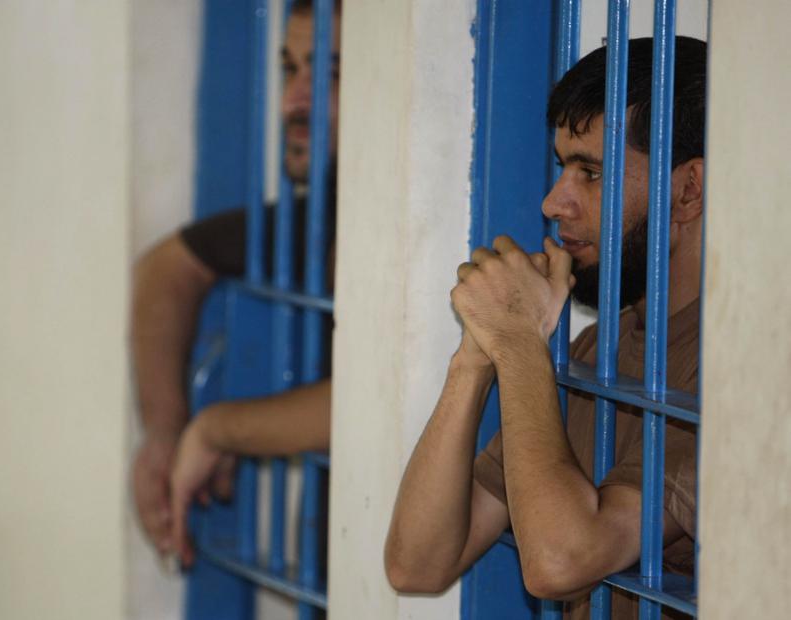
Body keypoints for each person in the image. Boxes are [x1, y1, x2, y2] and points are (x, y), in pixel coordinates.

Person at [385, 37, 706, 620]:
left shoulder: (740, 367)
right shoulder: (599, 347)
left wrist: (517, 344)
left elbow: (560, 563)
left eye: (590, 172)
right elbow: (417, 563)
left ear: (687, 190)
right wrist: (477, 357)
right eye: (564, 167)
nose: (554, 203)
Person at [131, 0, 340, 569]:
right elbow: (167, 266)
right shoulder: (317, 220)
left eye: (332, 73)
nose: (293, 100)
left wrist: (219, 431)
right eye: (290, 69)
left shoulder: (431, 238)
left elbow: (379, 401)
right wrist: (165, 431)